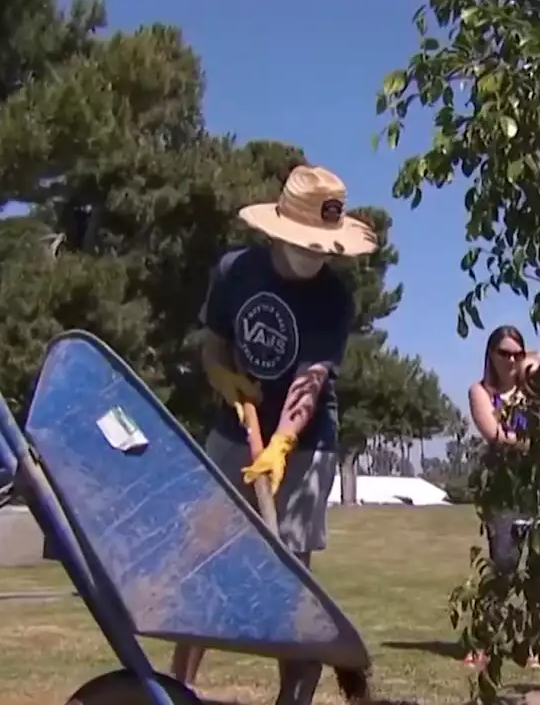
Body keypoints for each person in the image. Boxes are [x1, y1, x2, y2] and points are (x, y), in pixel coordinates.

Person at [170, 165, 375, 705]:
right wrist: (220, 375)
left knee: (289, 575)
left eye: (325, 247)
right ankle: (178, 689)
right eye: (307, 244)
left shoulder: (334, 299)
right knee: (204, 556)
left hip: (307, 443)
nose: (316, 254)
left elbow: (310, 380)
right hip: (235, 424)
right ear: (279, 232)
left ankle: (294, 700)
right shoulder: (236, 271)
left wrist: (284, 441)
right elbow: (214, 341)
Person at [465, 325, 540, 670]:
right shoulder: (481, 391)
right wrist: (532, 442)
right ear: (491, 356)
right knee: (504, 565)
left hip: (537, 485)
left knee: (537, 567)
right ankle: (483, 641)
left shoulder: (534, 388)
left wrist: (533, 368)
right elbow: (495, 433)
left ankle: (527, 643)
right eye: (504, 354)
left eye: (517, 353)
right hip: (502, 487)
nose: (511, 360)